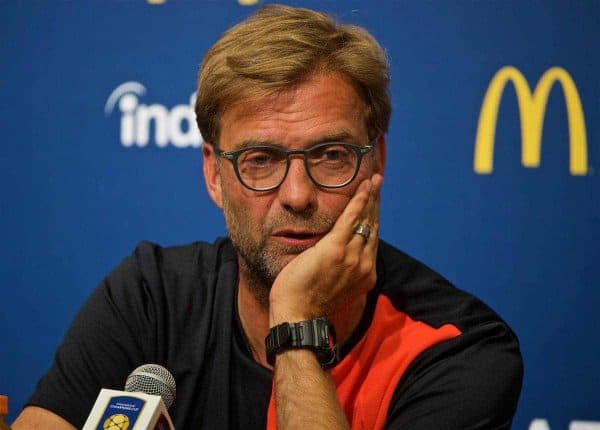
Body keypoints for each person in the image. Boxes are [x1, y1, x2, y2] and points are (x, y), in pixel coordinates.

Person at [13, 5, 523, 429]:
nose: (297, 195)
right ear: (214, 174)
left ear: (377, 161)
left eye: (330, 155)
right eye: (261, 160)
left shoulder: (457, 348)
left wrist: (295, 319)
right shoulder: (152, 298)